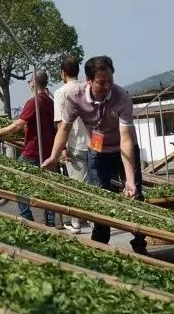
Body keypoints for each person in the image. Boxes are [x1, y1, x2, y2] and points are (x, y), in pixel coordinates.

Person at [42, 56, 149, 254]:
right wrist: (54, 156)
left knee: (135, 196)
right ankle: (100, 246)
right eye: (101, 82)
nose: (107, 86)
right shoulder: (75, 96)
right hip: (98, 150)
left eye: (110, 80)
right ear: (89, 80)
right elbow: (64, 129)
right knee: (99, 197)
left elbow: (125, 139)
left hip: (123, 148)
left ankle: (140, 245)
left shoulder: (121, 97)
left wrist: (130, 180)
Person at [0, 72, 56, 225]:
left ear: (33, 83)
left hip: (33, 151)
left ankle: (26, 216)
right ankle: (50, 220)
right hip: (49, 151)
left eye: (29, 81)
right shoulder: (50, 101)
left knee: (16, 181)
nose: (28, 84)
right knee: (48, 187)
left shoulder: (33, 102)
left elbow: (18, 124)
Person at [54, 56, 90, 233]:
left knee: (77, 187)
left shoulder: (61, 92)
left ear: (62, 73)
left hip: (74, 144)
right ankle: (98, 221)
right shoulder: (87, 87)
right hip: (94, 142)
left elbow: (61, 123)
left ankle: (77, 223)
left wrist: (62, 148)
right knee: (95, 184)